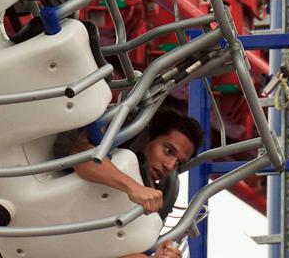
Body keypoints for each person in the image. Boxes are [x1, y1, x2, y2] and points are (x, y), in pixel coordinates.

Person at [56, 108, 204, 258]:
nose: (170, 166)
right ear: (148, 137)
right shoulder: (115, 147)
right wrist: (132, 187)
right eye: (168, 151)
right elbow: (81, 155)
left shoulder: (155, 197)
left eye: (178, 163)